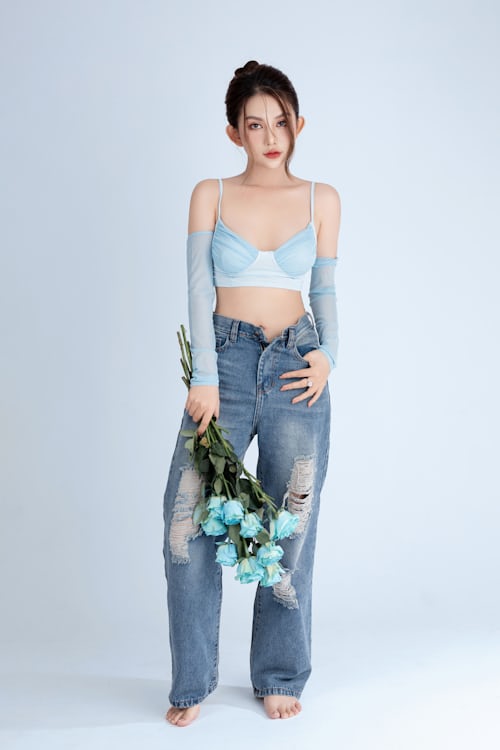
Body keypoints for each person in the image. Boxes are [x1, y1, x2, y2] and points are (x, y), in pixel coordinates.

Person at [163, 60, 341, 727]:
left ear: (298, 125)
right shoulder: (210, 193)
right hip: (226, 363)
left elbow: (324, 288)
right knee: (185, 524)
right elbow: (198, 288)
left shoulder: (322, 199)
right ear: (234, 132)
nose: (271, 137)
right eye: (255, 124)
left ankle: (279, 673)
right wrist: (204, 377)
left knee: (290, 527)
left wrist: (329, 357)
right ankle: (192, 680)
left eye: (281, 123)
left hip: (297, 366)